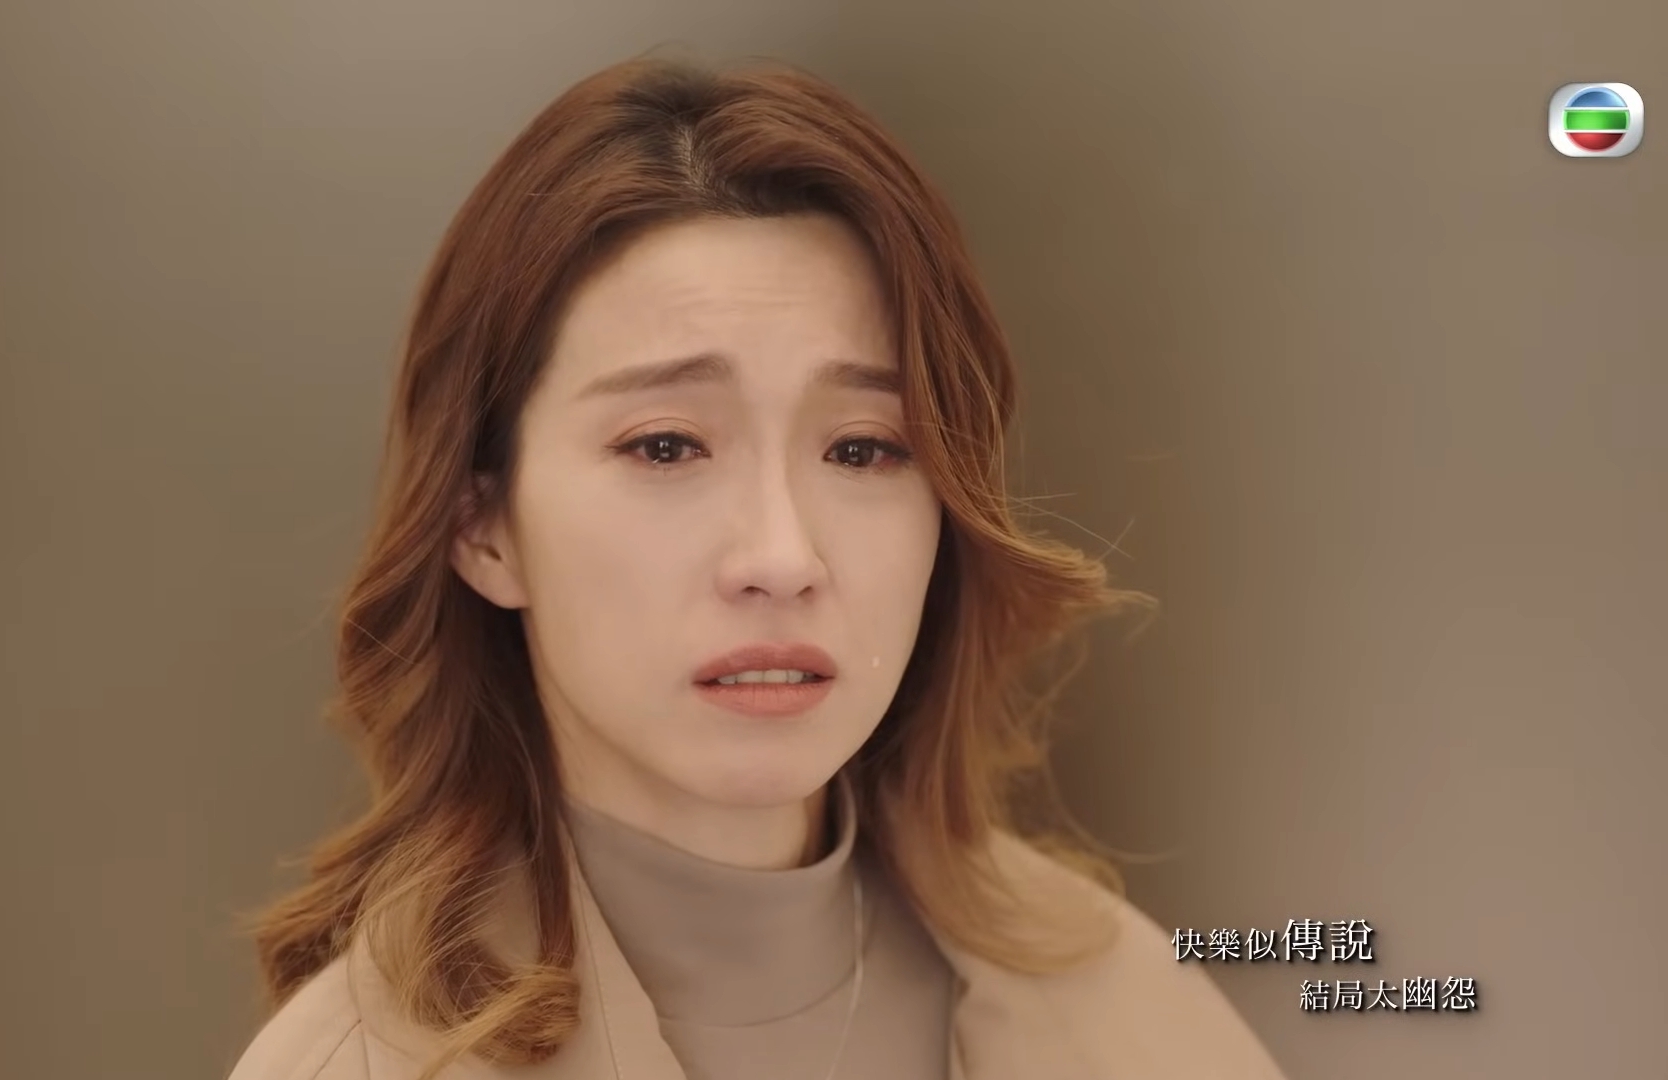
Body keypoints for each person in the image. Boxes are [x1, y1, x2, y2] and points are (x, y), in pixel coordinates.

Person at [228, 55, 1287, 1080]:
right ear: (483, 528)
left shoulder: (1132, 1005)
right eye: (666, 446)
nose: (781, 558)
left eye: (863, 449)